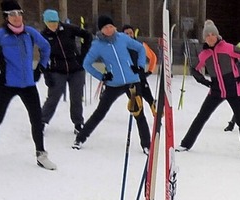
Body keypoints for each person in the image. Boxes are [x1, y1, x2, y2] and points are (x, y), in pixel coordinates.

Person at [0, 1, 56, 171]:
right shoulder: (0, 35)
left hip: (28, 85)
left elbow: (46, 46)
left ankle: (41, 154)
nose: (16, 17)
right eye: (12, 14)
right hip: (6, 85)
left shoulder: (30, 33)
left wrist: (41, 67)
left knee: (36, 119)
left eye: (19, 13)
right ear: (6, 17)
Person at [176, 20, 240, 161]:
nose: (211, 37)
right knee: (201, 117)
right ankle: (185, 144)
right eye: (207, 35)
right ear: (204, 38)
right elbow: (194, 69)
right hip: (216, 91)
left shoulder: (228, 48)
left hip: (234, 90)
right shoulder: (204, 54)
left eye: (213, 34)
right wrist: (206, 82)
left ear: (217, 35)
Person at [73, 15, 150, 153]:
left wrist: (139, 66)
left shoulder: (122, 38)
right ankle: (80, 138)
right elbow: (86, 64)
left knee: (139, 112)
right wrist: (102, 76)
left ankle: (147, 145)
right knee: (100, 112)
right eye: (106, 27)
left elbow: (140, 48)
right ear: (101, 30)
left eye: (111, 26)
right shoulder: (97, 45)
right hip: (113, 84)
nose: (109, 29)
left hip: (132, 80)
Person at [40, 9, 92, 135]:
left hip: (76, 69)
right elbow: (43, 56)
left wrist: (83, 55)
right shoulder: (43, 35)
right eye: (50, 23)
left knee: (76, 98)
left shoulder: (69, 29)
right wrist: (46, 74)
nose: (53, 25)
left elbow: (87, 35)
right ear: (45, 22)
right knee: (53, 97)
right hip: (57, 70)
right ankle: (41, 122)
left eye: (55, 22)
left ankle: (78, 123)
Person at [121, 24, 157, 111]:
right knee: (137, 104)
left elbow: (153, 57)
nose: (129, 35)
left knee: (150, 100)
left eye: (131, 33)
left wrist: (149, 71)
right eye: (126, 34)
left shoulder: (140, 45)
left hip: (140, 77)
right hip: (128, 80)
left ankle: (157, 117)